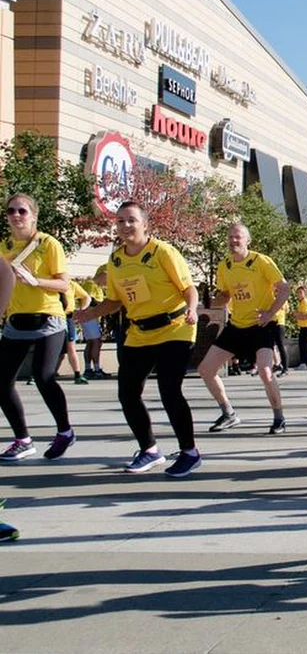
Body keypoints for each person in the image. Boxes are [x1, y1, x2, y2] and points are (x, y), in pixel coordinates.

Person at [75, 201, 202, 476]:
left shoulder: (162, 252)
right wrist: (91, 313)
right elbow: (115, 301)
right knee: (128, 393)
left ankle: (190, 452)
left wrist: (192, 309)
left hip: (175, 328)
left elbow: (189, 288)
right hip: (139, 333)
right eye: (120, 221)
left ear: (145, 224)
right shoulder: (116, 260)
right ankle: (149, 450)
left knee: (169, 389)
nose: (125, 225)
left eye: (131, 220)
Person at [0, 194, 77, 461]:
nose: (16, 215)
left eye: (22, 211)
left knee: (43, 376)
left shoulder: (48, 244)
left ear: (33, 215)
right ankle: (23, 440)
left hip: (47, 318)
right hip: (15, 321)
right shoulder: (4, 246)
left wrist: (35, 281)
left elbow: (64, 284)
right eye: (11, 211)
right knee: (2, 381)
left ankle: (65, 431)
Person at [197, 223, 291, 434]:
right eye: (230, 237)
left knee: (265, 371)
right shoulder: (224, 266)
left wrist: (270, 313)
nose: (233, 241)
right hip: (237, 325)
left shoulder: (261, 261)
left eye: (237, 237)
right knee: (205, 369)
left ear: (248, 240)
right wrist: (211, 301)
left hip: (261, 325)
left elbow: (285, 289)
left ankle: (279, 418)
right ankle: (228, 413)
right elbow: (225, 296)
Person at [79, 274, 108, 379]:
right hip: (89, 317)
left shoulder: (98, 286)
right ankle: (96, 369)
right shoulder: (91, 284)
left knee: (91, 342)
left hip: (92, 317)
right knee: (96, 341)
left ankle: (89, 369)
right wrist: (105, 304)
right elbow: (90, 300)